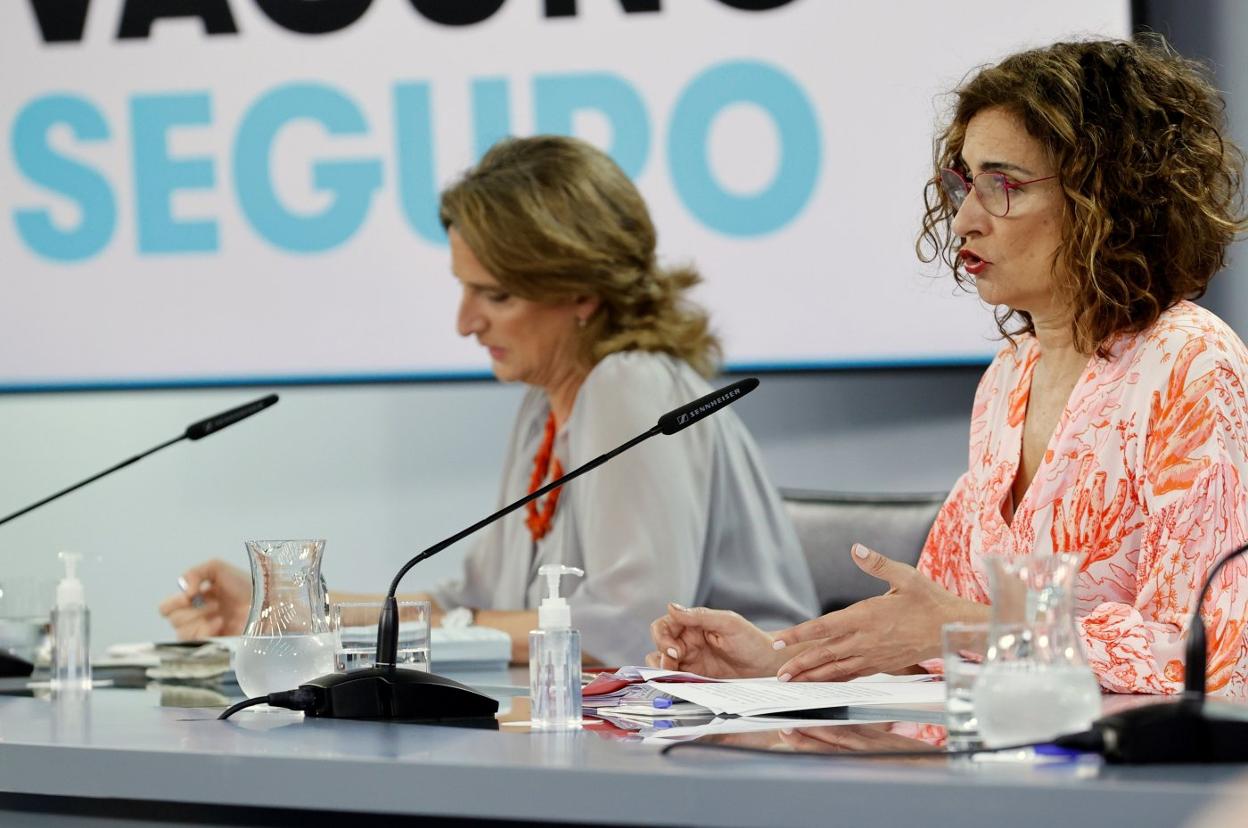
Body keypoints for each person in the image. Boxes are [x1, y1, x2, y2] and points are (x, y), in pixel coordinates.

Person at [648, 37, 1248, 697]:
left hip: (1141, 786)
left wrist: (958, 630)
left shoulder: (1191, 365)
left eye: (1004, 186)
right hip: (1011, 759)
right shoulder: (1010, 377)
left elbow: (1206, 652)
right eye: (965, 183)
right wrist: (776, 662)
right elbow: (933, 628)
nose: (963, 220)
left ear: (1105, 197)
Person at [160, 135, 819, 666]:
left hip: (752, 732)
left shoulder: (631, 386)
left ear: (582, 290)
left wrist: (451, 627)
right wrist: (292, 609)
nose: (465, 322)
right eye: (463, 288)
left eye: (496, 295)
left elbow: (623, 632)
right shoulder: (545, 403)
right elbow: (477, 602)